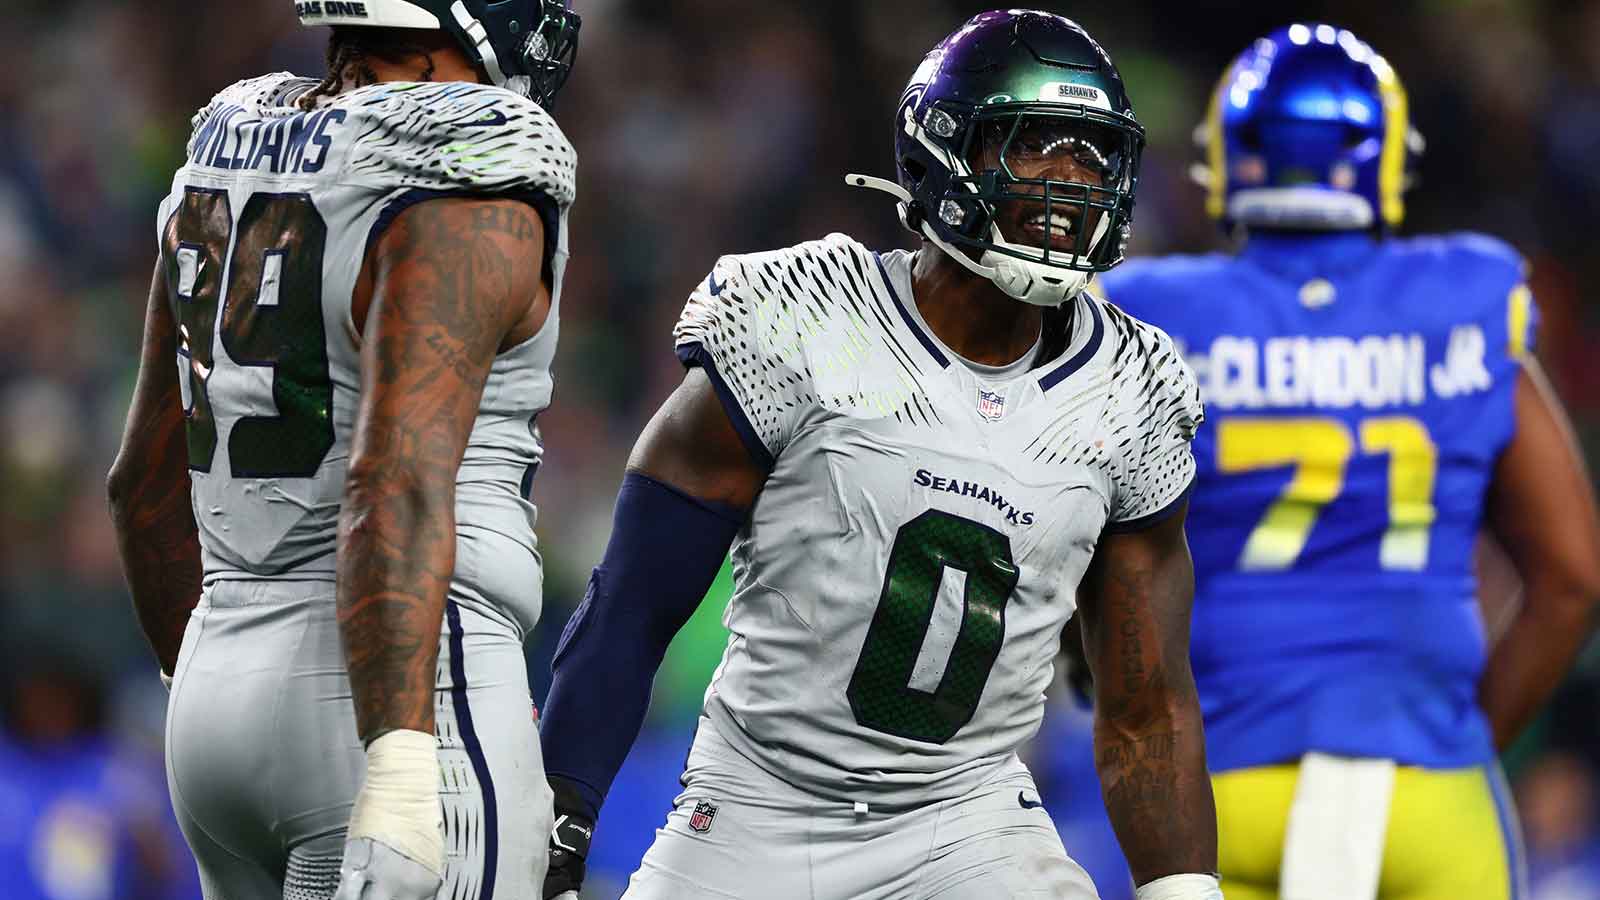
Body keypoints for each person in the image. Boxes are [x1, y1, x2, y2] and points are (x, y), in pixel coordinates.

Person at [539, 10, 1223, 900]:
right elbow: (635, 602)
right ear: (945, 153)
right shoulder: (806, 313)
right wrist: (562, 813)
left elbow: (1147, 706)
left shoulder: (1132, 385)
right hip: (759, 806)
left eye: (1094, 158)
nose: (1070, 181)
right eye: (1036, 147)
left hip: (969, 820)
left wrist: (1184, 891)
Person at [1097, 24, 1600, 900]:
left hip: (1215, 789)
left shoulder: (1151, 311)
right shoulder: (1466, 295)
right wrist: (1457, 741)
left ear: (1232, 157)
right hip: (1423, 793)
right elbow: (1571, 579)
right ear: (1383, 159)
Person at [104, 2, 580, 898]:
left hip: (212, 688)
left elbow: (141, 485)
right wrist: (399, 770)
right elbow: (393, 478)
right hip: (402, 700)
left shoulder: (227, 143)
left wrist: (216, 687)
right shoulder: (470, 163)